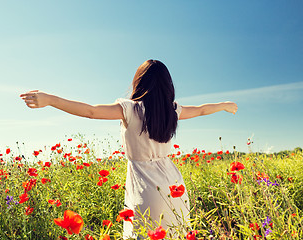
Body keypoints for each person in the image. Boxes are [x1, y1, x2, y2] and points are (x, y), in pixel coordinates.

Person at [20, 59, 238, 239]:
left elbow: (91, 112)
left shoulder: (131, 109)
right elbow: (201, 110)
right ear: (168, 85)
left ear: (139, 83)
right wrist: (225, 105)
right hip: (175, 187)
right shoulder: (172, 111)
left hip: (147, 189)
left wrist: (50, 99)